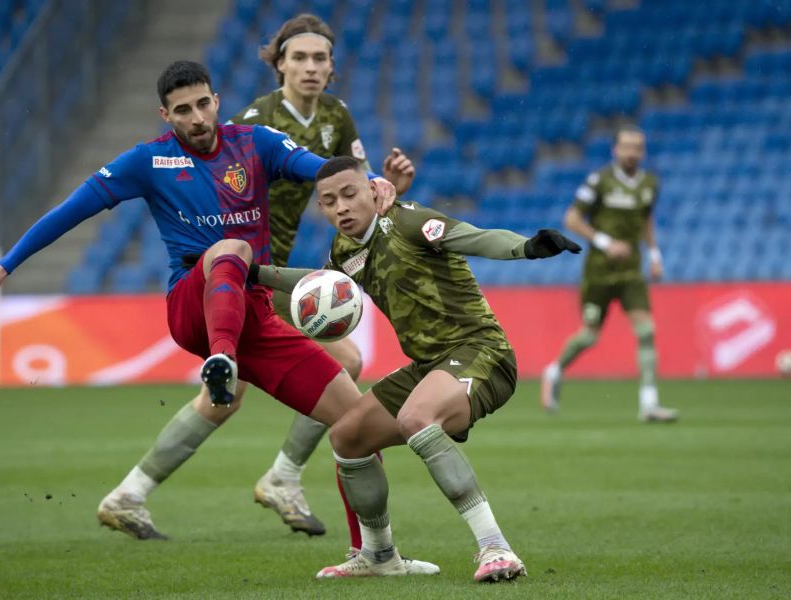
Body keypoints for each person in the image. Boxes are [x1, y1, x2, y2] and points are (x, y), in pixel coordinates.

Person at [0, 61, 438, 575]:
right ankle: (221, 362)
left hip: (253, 313)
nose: (197, 116)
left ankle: (377, 555)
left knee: (356, 423)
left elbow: (320, 170)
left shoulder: (256, 144)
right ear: (166, 115)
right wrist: (7, 265)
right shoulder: (149, 160)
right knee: (229, 248)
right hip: (192, 305)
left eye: (203, 103)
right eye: (182, 110)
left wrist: (371, 182)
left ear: (216, 99)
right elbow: (73, 209)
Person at [96, 15, 415, 547]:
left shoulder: (338, 117)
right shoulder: (252, 122)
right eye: (299, 58)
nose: (310, 68)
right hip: (244, 274)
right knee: (340, 368)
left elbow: (349, 188)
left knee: (226, 397)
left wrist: (386, 190)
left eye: (320, 59)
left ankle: (132, 493)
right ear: (279, 64)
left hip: (277, 272)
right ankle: (282, 478)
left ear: (332, 67)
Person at [248, 156, 581, 581]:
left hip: (481, 352)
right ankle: (379, 555)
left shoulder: (408, 222)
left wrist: (526, 248)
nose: (341, 208)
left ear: (373, 189)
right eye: (329, 202)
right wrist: (253, 274)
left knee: (415, 417)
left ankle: (496, 549)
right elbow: (319, 285)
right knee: (348, 436)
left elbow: (473, 238)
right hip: (427, 366)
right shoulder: (344, 249)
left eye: (349, 194)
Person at [540, 125, 678, 422]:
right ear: (615, 150)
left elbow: (646, 221)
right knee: (589, 336)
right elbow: (572, 218)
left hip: (631, 272)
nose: (632, 153)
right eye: (627, 147)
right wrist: (604, 242)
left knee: (646, 331)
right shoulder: (599, 181)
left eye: (638, 147)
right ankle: (554, 371)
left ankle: (649, 403)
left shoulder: (650, 183)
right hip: (599, 273)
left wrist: (655, 255)